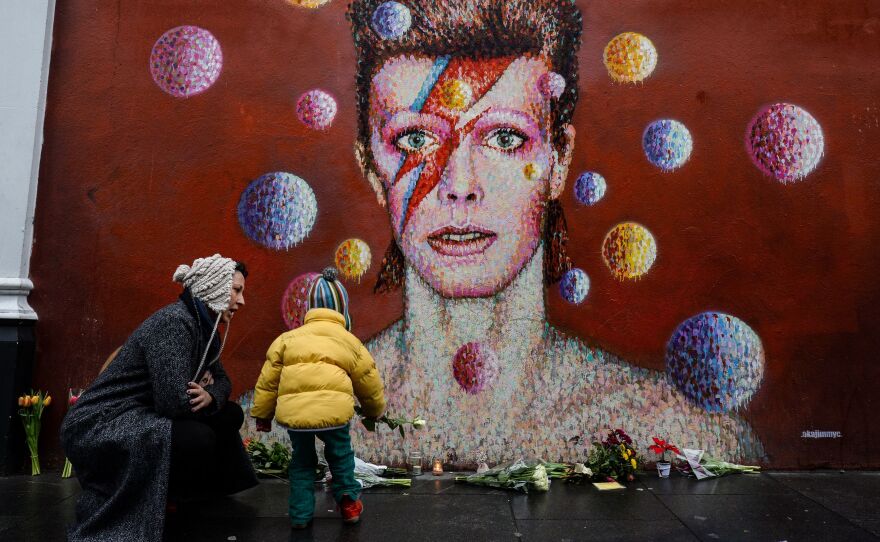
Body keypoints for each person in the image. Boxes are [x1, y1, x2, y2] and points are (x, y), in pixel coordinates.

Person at [346, 0, 764, 466]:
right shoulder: (322, 428)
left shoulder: (677, 431)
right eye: (415, 140)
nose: (459, 186)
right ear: (370, 169)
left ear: (559, 159)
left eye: (504, 138)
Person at [60, 254, 258, 541]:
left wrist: (210, 395)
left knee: (229, 414)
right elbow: (173, 402)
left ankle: (187, 492)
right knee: (196, 437)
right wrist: (194, 391)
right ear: (213, 286)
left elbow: (223, 381)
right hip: (102, 420)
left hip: (141, 411)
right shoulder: (174, 323)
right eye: (237, 290)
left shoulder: (207, 329)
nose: (241, 301)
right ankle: (163, 495)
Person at [251, 267, 386, 529]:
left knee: (301, 462)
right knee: (340, 455)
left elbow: (268, 382)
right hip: (334, 413)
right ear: (342, 308)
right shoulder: (349, 341)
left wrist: (262, 416)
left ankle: (300, 515)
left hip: (296, 415)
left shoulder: (286, 340)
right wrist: (374, 410)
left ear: (310, 308)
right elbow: (368, 379)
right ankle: (348, 504)